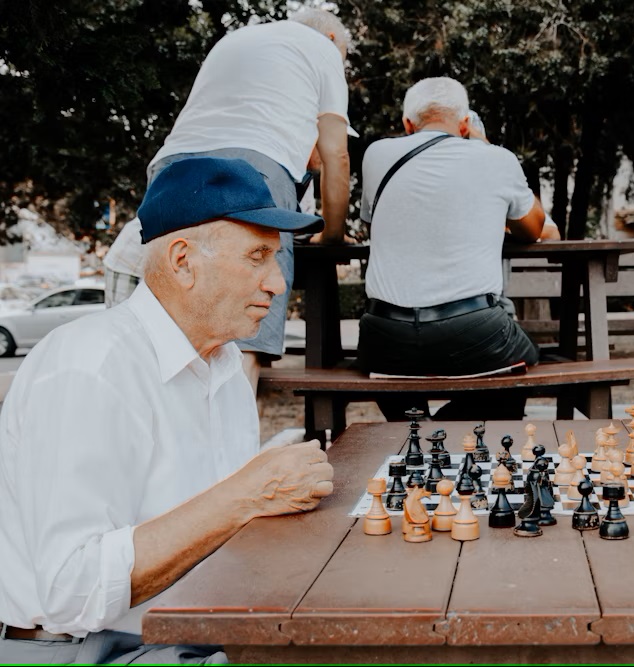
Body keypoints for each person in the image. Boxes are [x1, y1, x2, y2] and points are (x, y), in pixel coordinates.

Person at [0, 157, 335, 664]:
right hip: (82, 650)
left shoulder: (222, 365)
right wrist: (246, 495)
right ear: (183, 261)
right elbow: (71, 592)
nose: (276, 282)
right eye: (257, 256)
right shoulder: (90, 368)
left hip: (188, 632)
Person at [103, 7, 356, 394]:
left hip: (172, 165)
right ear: (334, 41)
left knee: (173, 324)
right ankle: (234, 448)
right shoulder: (322, 49)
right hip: (254, 166)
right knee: (246, 322)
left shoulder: (236, 39)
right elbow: (335, 154)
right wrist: (333, 236)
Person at [357, 76, 546, 421]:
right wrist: (485, 144)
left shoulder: (376, 155)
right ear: (464, 124)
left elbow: (376, 222)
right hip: (473, 330)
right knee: (524, 362)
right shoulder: (495, 158)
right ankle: (442, 430)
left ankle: (413, 427)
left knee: (388, 362)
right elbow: (533, 228)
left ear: (407, 124)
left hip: (384, 336)